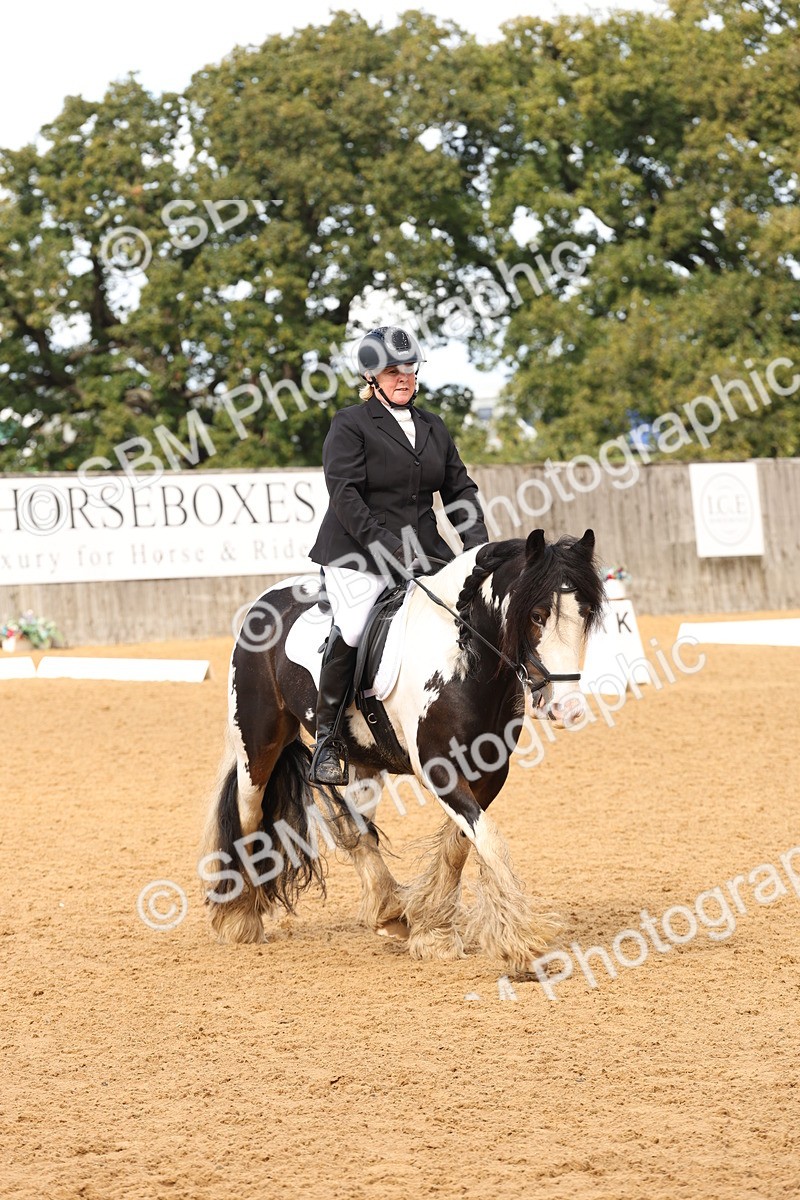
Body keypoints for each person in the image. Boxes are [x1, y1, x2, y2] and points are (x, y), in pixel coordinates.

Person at [307, 325, 489, 785]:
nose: (403, 377)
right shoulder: (350, 424)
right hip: (357, 550)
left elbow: (459, 488)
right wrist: (388, 549)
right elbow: (345, 496)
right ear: (372, 378)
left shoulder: (432, 425)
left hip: (424, 549)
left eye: (409, 368)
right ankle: (327, 740)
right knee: (352, 627)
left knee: (469, 613)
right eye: (392, 371)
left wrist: (477, 547)